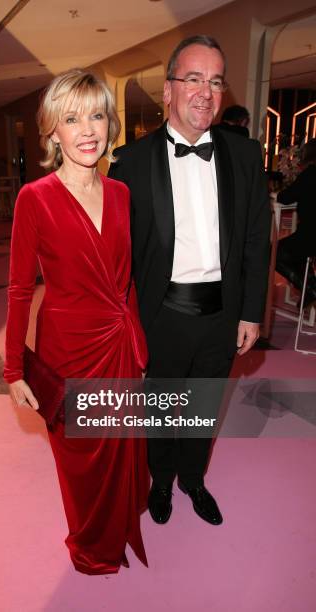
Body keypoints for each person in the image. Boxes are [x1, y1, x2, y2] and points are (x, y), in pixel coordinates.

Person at [109, 35, 270, 527]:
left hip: (223, 313)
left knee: (203, 408)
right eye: (194, 78)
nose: (205, 91)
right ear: (168, 90)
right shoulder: (129, 163)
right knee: (160, 410)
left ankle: (193, 480)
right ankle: (160, 481)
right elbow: (118, 257)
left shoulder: (245, 155)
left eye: (216, 81)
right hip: (161, 314)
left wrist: (251, 311)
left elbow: (256, 241)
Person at [4, 69, 149, 575]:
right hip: (67, 350)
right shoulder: (35, 198)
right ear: (52, 132)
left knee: (119, 450)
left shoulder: (122, 194)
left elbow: (126, 284)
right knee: (80, 458)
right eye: (72, 118)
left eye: (96, 115)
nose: (88, 129)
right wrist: (13, 370)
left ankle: (115, 523)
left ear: (110, 124)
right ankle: (90, 543)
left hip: (118, 348)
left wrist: (139, 348)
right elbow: (21, 289)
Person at [275, 138, 316, 307]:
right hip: (309, 235)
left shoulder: (311, 173)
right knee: (294, 251)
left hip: (311, 235)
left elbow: (284, 197)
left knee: (273, 253)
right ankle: (310, 286)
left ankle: (309, 287)